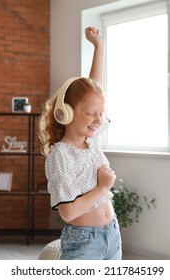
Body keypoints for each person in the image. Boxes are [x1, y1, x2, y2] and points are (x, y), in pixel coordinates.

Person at [39, 27, 122, 260]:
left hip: (112, 235)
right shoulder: (60, 156)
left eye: (101, 113)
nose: (99, 120)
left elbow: (94, 90)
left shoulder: (91, 140)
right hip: (84, 242)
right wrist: (102, 188)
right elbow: (68, 212)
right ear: (66, 113)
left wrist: (99, 47)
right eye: (91, 114)